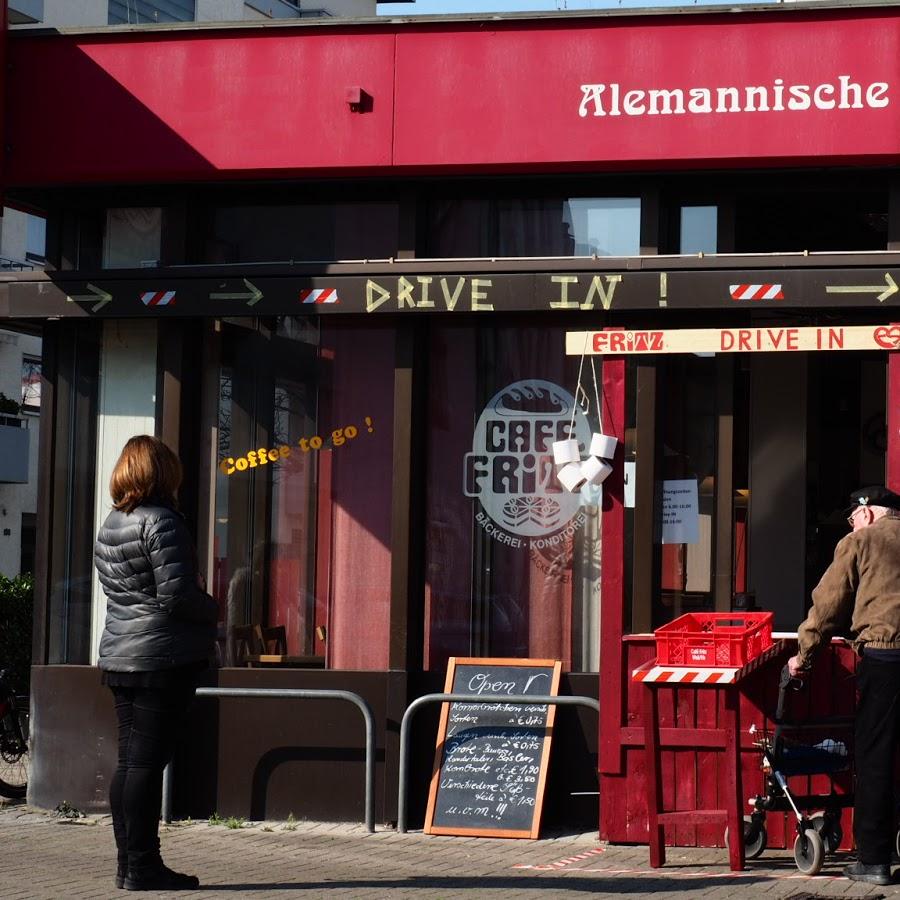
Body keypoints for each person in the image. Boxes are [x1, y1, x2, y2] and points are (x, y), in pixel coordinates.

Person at [95, 435, 218, 892]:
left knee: (130, 763)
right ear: (163, 473)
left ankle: (130, 864)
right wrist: (214, 608)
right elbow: (176, 596)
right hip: (159, 657)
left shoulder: (113, 522)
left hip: (122, 654)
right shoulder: (164, 522)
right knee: (145, 764)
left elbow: (125, 593)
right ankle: (143, 866)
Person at [788, 485, 900, 886]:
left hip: (885, 659)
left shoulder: (861, 541)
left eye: (851, 517)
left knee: (875, 756)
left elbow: (828, 604)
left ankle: (873, 859)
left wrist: (805, 655)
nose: (850, 525)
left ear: (868, 513)